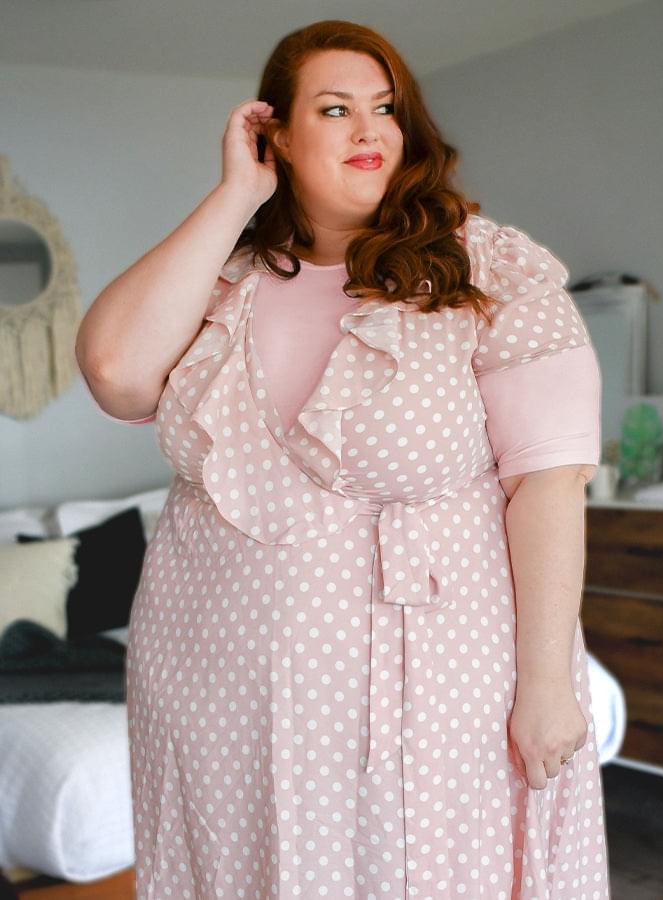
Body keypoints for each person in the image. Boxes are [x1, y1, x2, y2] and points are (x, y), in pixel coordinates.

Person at [76, 18, 610, 900]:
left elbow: (548, 484)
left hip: (428, 677)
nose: (370, 131)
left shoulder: (490, 272)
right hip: (212, 688)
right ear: (276, 133)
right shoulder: (229, 279)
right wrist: (233, 196)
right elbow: (114, 373)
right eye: (334, 109)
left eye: (386, 108)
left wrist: (548, 685)